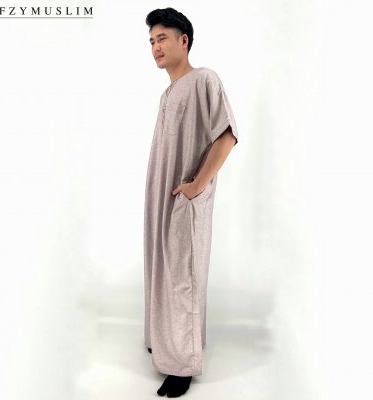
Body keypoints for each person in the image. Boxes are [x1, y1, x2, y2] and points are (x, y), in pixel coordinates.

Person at [143, 7, 239, 397]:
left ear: (184, 40)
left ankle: (182, 365)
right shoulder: (167, 93)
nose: (155, 46)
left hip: (185, 199)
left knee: (183, 276)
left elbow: (226, 135)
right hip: (160, 200)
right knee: (163, 271)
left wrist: (197, 184)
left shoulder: (204, 79)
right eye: (151, 41)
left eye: (162, 38)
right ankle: (166, 340)